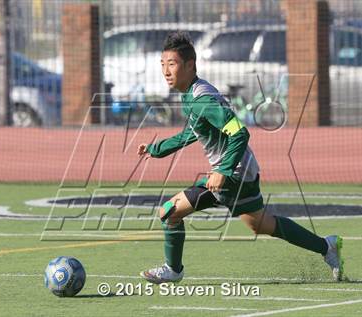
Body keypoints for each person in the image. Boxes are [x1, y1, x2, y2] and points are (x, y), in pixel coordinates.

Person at [136, 31, 343, 284]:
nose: (166, 71)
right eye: (163, 65)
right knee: (261, 224)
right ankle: (326, 246)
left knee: (170, 212)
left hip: (233, 174)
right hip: (240, 170)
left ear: (190, 65)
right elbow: (190, 133)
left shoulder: (202, 100)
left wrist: (222, 170)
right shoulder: (191, 95)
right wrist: (155, 149)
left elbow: (239, 133)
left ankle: (173, 269)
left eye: (172, 64)